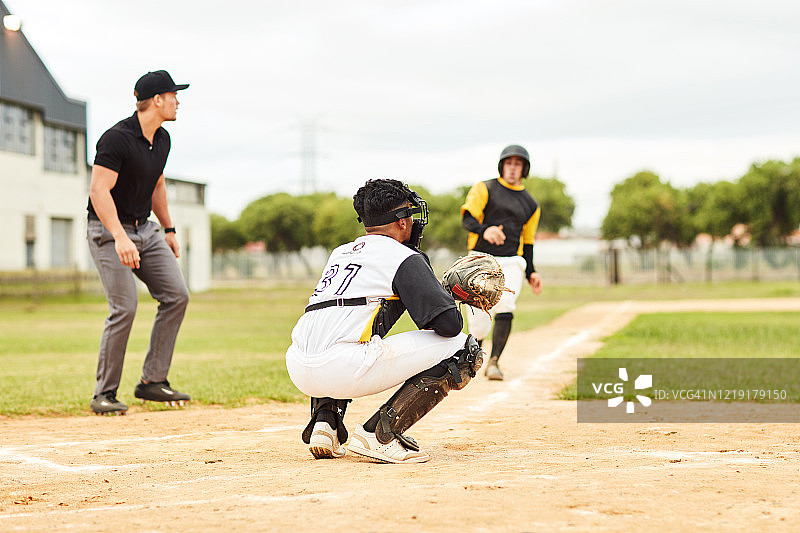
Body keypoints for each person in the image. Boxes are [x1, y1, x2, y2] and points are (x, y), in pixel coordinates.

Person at [286, 179, 484, 464]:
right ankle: (380, 436)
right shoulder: (404, 257)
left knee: (348, 325)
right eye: (410, 214)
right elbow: (449, 326)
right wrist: (450, 294)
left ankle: (325, 423)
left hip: (299, 367)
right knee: (464, 349)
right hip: (343, 368)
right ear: (402, 221)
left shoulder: (340, 253)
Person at [87, 70, 191, 415]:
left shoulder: (162, 139)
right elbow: (98, 190)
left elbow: (157, 186)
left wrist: (170, 229)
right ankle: (105, 393)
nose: (178, 101)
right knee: (125, 308)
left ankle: (152, 382)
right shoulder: (116, 138)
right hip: (107, 231)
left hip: (145, 230)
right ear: (158, 99)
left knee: (176, 295)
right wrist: (119, 237)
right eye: (174, 95)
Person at [460, 144, 543, 381]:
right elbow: (467, 218)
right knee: (478, 323)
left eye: (518, 164)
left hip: (511, 261)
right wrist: (485, 230)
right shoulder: (485, 188)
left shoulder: (531, 204)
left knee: (506, 303)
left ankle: (494, 362)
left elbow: (528, 241)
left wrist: (532, 272)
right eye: (509, 163)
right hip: (479, 258)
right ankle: (473, 357)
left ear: (524, 169)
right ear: (502, 165)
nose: (512, 168)